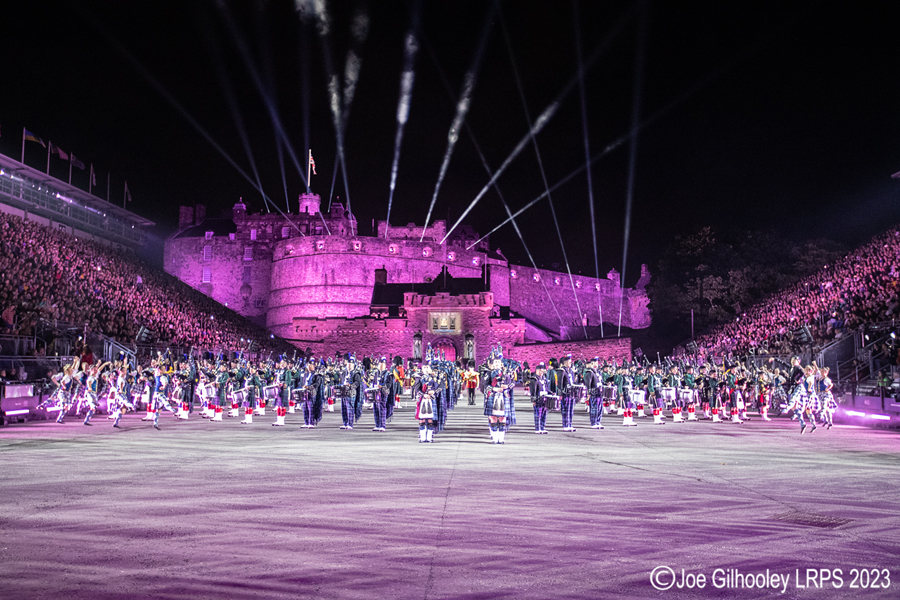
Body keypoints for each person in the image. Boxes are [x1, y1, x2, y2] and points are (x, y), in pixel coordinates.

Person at [528, 362, 552, 434]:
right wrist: (533, 400)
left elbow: (547, 388)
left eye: (542, 371)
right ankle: (537, 428)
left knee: (544, 414)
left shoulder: (544, 379)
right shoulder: (534, 379)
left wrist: (551, 393)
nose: (542, 372)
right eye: (540, 371)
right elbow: (533, 391)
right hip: (538, 399)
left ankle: (542, 427)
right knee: (538, 414)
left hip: (545, 398)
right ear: (537, 371)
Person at [583, 357, 604, 429]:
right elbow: (588, 384)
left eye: (597, 363)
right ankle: (593, 423)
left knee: (600, 408)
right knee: (594, 408)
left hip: (599, 392)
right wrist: (588, 393)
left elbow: (601, 381)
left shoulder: (598, 372)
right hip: (593, 392)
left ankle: (598, 422)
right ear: (591, 364)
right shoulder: (589, 372)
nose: (596, 364)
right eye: (595, 363)